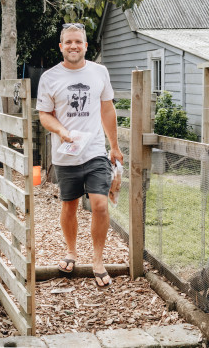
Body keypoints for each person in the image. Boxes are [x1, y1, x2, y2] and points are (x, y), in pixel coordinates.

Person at [36, 23, 123, 288]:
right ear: (61, 46)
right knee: (70, 206)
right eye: (68, 42)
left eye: (78, 42)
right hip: (66, 155)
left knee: (100, 205)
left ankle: (98, 260)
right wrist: (62, 131)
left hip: (95, 151)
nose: (73, 46)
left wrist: (114, 146)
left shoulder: (99, 72)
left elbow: (107, 110)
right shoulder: (50, 77)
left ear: (85, 45)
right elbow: (44, 115)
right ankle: (71, 252)